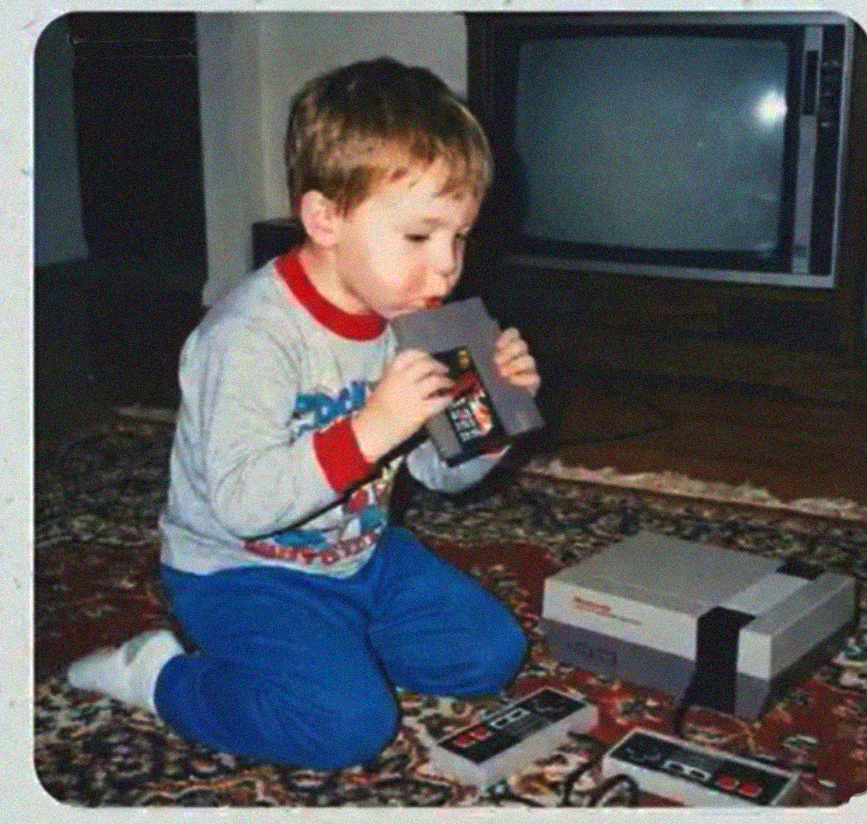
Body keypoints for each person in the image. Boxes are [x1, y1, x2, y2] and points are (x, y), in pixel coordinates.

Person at [67, 56, 541, 771]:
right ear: (325, 218)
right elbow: (241, 504)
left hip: (359, 554)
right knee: (346, 726)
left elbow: (438, 476)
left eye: (459, 236)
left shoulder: (409, 314)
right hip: (241, 568)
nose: (446, 266)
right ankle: (159, 676)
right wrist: (375, 425)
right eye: (419, 236)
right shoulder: (248, 336)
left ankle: (332, 642)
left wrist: (491, 421)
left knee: (489, 654)